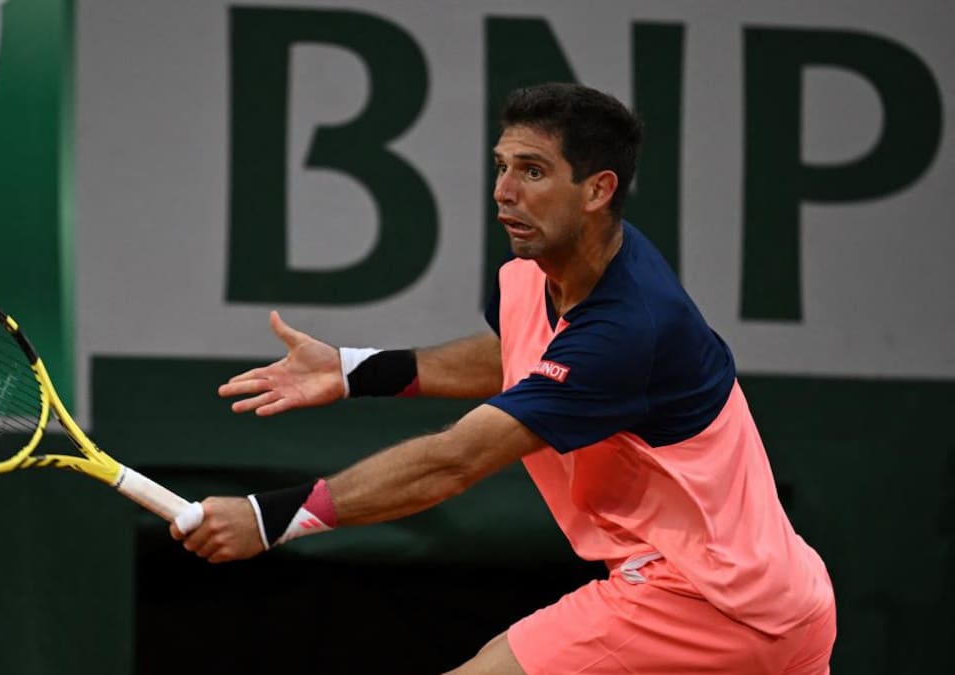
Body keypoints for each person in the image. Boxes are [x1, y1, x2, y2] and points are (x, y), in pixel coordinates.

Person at [171, 82, 836, 674]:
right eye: (501, 166)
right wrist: (351, 370)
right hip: (785, 594)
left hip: (708, 599)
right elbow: (517, 355)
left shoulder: (630, 328)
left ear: (599, 189)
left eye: (533, 171)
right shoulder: (544, 277)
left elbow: (452, 462)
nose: (503, 191)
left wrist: (270, 516)